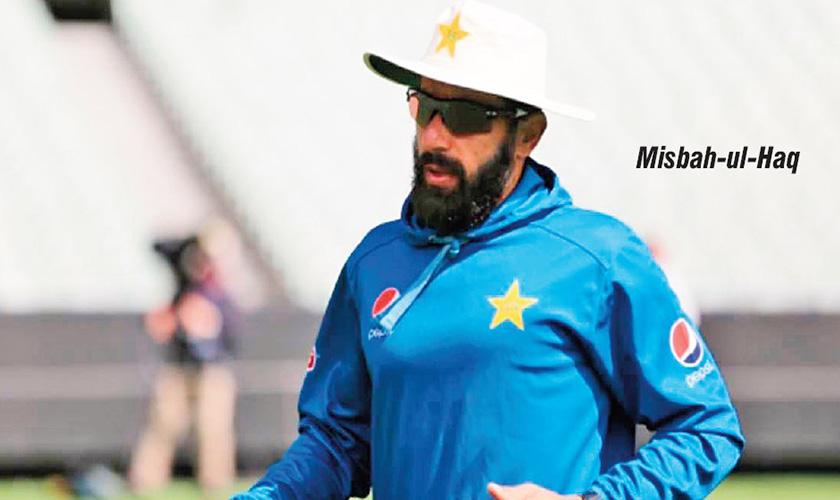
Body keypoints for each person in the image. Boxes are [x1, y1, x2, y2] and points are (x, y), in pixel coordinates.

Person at [233, 2, 744, 499]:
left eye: (465, 116)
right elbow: (335, 444)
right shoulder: (372, 262)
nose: (434, 136)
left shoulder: (598, 257)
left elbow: (706, 427)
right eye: (425, 107)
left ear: (527, 135)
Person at [130, 233, 239, 494]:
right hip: (179, 367)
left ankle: (215, 481)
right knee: (163, 424)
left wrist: (202, 323)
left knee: (213, 428)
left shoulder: (219, 294)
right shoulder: (184, 288)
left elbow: (225, 334)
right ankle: (146, 479)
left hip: (212, 370)